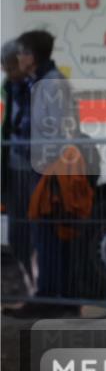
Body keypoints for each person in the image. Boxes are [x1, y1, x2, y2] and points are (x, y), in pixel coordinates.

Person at [10, 31, 84, 316]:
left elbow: (59, 129)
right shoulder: (38, 82)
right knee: (45, 236)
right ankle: (51, 296)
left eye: (23, 52)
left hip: (51, 169)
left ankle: (56, 299)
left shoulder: (51, 83)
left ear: (34, 55)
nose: (19, 58)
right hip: (43, 167)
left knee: (52, 234)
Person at [2, 40, 33, 284]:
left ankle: (36, 285)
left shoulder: (34, 87)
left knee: (36, 231)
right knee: (16, 231)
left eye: (11, 67)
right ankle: (27, 282)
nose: (8, 73)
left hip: (31, 169)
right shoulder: (8, 87)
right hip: (12, 169)